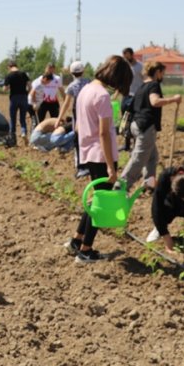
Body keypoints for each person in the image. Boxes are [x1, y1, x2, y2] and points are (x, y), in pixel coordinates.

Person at [66, 55, 133, 264]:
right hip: (102, 155)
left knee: (95, 199)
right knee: (101, 204)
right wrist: (112, 168)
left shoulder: (85, 90)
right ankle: (86, 250)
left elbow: (78, 126)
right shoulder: (102, 96)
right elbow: (104, 133)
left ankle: (77, 240)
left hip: (88, 152)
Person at [120, 60, 182, 190]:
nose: (162, 76)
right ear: (157, 72)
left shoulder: (141, 87)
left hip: (136, 125)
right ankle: (120, 187)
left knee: (152, 157)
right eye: (162, 73)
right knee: (138, 159)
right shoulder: (154, 85)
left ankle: (150, 183)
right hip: (146, 126)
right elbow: (154, 102)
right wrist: (173, 99)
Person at [56, 61, 91, 177]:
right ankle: (91, 164)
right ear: (83, 71)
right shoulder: (89, 82)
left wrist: (59, 118)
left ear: (71, 73)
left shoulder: (71, 86)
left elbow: (66, 104)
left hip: (78, 112)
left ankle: (81, 167)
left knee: (78, 139)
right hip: (90, 112)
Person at [2, 61, 31, 144]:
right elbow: (30, 85)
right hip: (24, 98)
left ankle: (12, 139)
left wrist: (5, 87)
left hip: (14, 98)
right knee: (22, 119)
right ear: (16, 66)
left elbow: (5, 89)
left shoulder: (9, 75)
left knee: (12, 119)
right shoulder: (23, 74)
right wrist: (26, 93)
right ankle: (23, 132)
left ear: (9, 67)